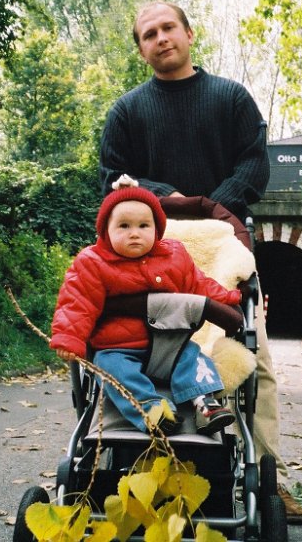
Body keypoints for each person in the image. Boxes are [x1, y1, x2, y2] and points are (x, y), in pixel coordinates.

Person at [98, 0, 302, 524]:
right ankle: (110, 463)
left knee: (254, 360)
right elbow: (113, 177)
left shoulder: (230, 99)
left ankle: (268, 476)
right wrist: (169, 200)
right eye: (148, 34)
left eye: (168, 27)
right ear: (141, 48)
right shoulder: (127, 112)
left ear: (189, 34)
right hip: (145, 253)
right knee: (122, 348)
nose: (160, 38)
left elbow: (253, 165)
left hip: (225, 244)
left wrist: (212, 209)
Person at [50, 179, 245, 436]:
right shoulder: (93, 262)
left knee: (194, 358)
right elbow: (77, 303)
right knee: (110, 369)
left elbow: (199, 284)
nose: (134, 233)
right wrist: (68, 338)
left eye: (144, 226)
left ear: (157, 229)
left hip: (171, 344)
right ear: (106, 231)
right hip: (117, 347)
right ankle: (151, 409)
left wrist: (228, 298)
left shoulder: (174, 255)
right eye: (124, 226)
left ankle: (205, 404)